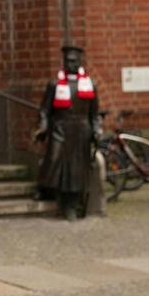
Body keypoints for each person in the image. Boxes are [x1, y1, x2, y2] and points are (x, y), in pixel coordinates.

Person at [34, 45, 102, 221]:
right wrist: (43, 126)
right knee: (54, 160)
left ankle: (71, 204)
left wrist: (96, 129)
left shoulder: (89, 85)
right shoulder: (55, 84)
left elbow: (94, 114)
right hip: (60, 128)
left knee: (76, 169)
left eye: (73, 61)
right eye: (67, 61)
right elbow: (44, 110)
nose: (70, 64)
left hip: (81, 130)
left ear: (79, 62)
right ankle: (45, 188)